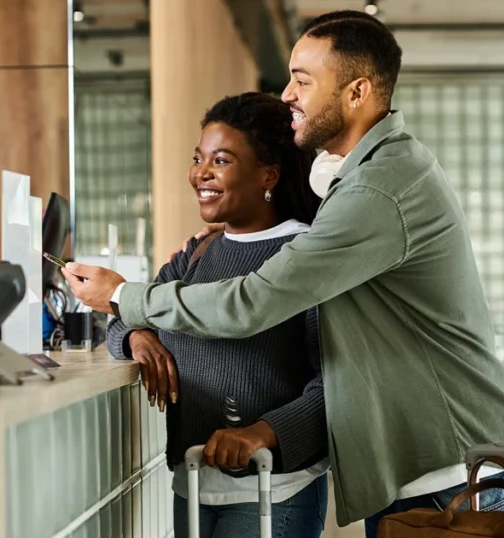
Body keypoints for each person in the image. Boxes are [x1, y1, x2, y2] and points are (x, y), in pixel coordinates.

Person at [63, 10, 504, 535]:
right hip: (426, 468)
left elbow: (255, 301)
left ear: (357, 92)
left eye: (302, 81)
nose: (288, 95)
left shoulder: (377, 189)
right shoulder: (362, 177)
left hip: (458, 469)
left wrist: (124, 297)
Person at [106, 92, 329, 538]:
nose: (201, 174)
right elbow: (124, 315)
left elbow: (338, 383)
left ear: (268, 174)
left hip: (274, 493)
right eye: (198, 158)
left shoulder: (307, 256)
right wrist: (138, 337)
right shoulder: (197, 253)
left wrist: (262, 433)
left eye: (221, 161)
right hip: (191, 488)